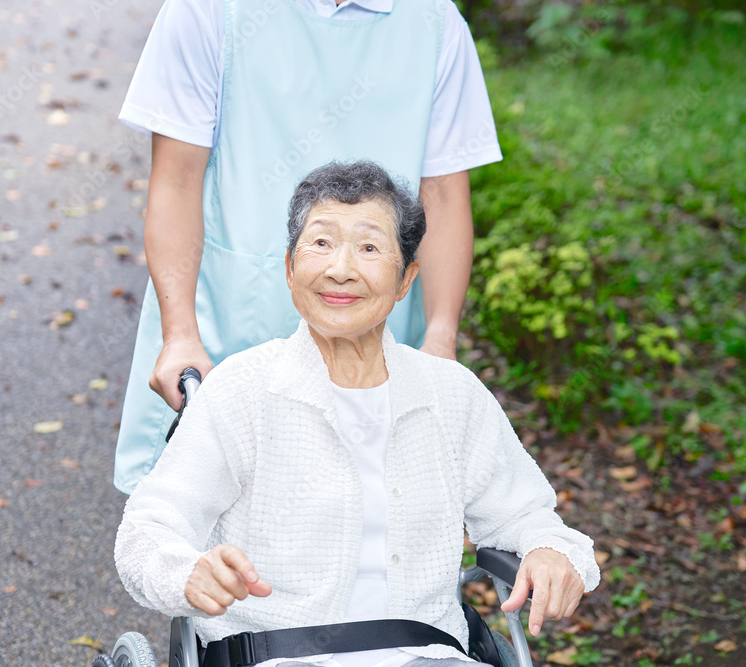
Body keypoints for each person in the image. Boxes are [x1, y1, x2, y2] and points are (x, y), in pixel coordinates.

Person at [115, 162, 600, 667]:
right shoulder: (242, 391)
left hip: (429, 655)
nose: (340, 268)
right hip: (277, 657)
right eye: (321, 243)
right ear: (289, 266)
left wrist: (550, 549)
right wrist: (186, 572)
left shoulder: (451, 394)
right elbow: (147, 530)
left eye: (368, 248)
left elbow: (525, 515)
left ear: (406, 278)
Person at [112, 0, 503, 494]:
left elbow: (444, 197)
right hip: (218, 333)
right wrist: (179, 334)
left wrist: (441, 340)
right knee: (196, 543)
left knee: (358, 533)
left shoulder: (435, 22)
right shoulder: (207, 10)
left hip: (374, 345)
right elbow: (176, 183)